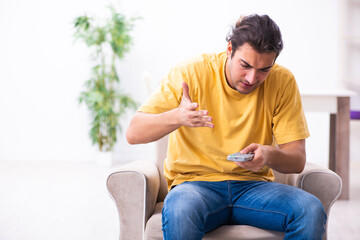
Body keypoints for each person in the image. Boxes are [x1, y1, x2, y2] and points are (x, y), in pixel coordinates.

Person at [126, 14, 327, 240]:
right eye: (245, 65)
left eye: (264, 70)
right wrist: (177, 117)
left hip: (253, 188)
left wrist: (269, 155)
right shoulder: (190, 73)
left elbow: (297, 159)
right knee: (180, 210)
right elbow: (133, 133)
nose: (252, 78)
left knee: (310, 209)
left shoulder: (283, 81)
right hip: (194, 187)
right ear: (230, 49)